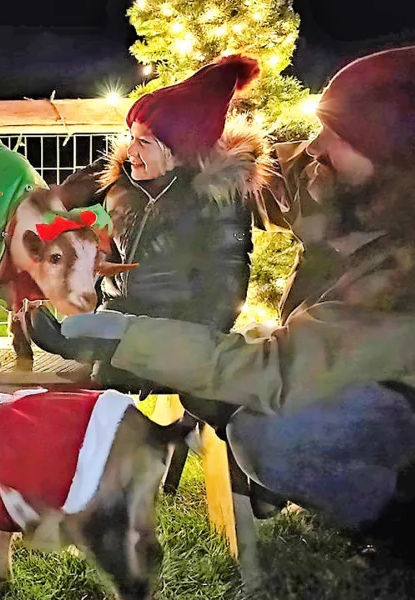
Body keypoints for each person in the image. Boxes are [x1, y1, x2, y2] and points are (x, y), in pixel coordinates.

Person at [27, 45, 415, 555]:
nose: (313, 145)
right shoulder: (336, 175)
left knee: (269, 436)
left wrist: (122, 337)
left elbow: (275, 369)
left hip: (388, 388)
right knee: (223, 395)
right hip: (308, 351)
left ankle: (396, 521)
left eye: (338, 136)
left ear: (394, 159)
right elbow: (260, 175)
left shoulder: (401, 281)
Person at [68, 55, 266, 407]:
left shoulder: (215, 200)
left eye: (144, 142)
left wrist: (172, 356)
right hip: (119, 330)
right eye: (131, 138)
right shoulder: (123, 189)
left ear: (180, 152)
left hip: (178, 340)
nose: (130, 151)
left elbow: (225, 291)